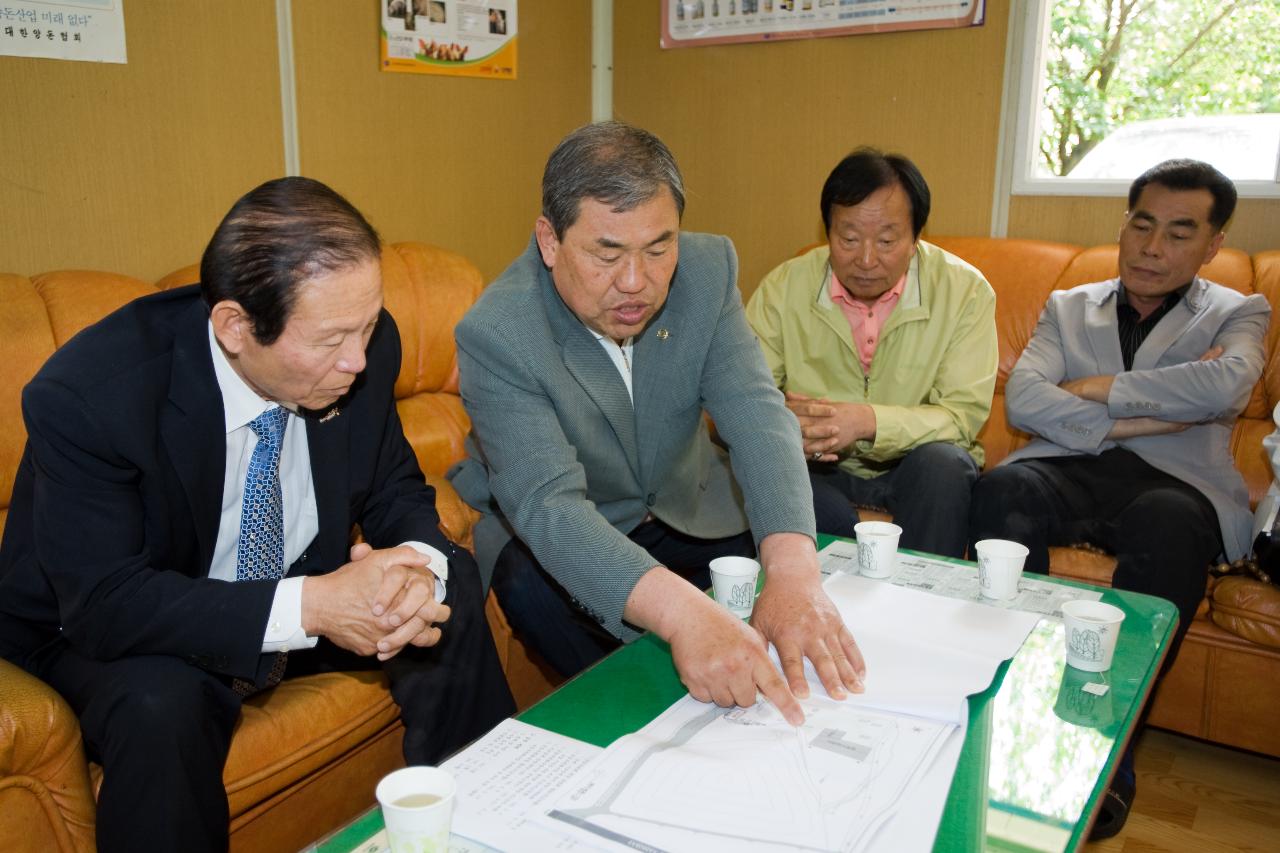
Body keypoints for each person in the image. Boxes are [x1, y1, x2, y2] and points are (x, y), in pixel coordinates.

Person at [0, 177, 515, 853]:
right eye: (333, 339)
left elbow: (393, 489)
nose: (357, 359)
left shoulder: (364, 347)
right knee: (163, 704)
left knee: (450, 584)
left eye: (367, 326)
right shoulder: (95, 394)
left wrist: (416, 571)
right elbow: (106, 601)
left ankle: (490, 822)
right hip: (113, 621)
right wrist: (314, 607)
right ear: (236, 327)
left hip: (290, 586)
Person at [449, 121, 864, 723]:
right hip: (580, 524)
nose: (636, 282)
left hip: (683, 501)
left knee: (820, 523)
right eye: (607, 253)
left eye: (658, 248)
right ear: (549, 240)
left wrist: (795, 576)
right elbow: (549, 509)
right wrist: (688, 617)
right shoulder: (499, 332)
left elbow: (754, 412)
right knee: (526, 582)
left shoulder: (707, 269)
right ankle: (660, 713)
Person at [968, 158, 1269, 839]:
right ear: (1125, 225)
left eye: (1178, 232)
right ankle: (1013, 713)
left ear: (1213, 244)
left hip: (1177, 483)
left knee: (1169, 524)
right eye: (1142, 225)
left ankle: (1111, 752)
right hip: (1066, 465)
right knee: (1001, 488)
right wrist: (1149, 414)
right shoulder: (1069, 304)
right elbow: (1024, 398)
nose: (1152, 247)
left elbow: (1226, 388)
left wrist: (1096, 388)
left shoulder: (1240, 309)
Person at [746, 148, 997, 558]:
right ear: (827, 231)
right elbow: (746, 396)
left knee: (944, 466)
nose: (865, 259)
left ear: (916, 238)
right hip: (817, 467)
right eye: (848, 239)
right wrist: (792, 424)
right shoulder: (784, 286)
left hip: (915, 465)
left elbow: (961, 416)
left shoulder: (965, 291)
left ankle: (921, 608)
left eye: (886, 240)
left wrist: (866, 421)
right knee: (774, 476)